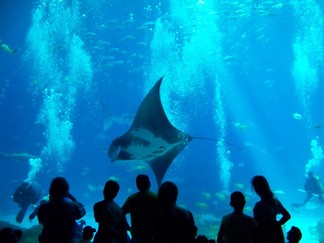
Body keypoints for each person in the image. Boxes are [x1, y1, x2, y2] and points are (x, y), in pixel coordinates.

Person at [37, 177, 86, 243]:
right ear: (66, 191)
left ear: (51, 190)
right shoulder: (72, 206)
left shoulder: (43, 207)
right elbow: (83, 212)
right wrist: (72, 198)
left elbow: (41, 221)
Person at [251, 175, 291, 243]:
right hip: (276, 234)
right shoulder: (275, 201)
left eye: (255, 187)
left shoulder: (259, 205)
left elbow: (256, 223)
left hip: (262, 236)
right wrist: (277, 225)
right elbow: (287, 216)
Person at [122, 174, 159, 243]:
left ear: (137, 186)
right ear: (149, 184)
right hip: (153, 236)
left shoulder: (132, 198)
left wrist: (127, 227)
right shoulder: (156, 197)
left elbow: (121, 213)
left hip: (137, 236)